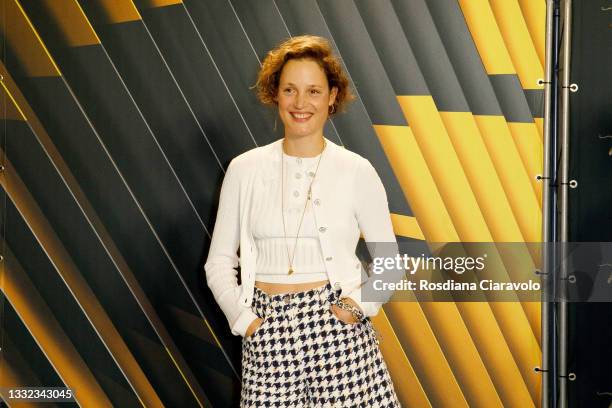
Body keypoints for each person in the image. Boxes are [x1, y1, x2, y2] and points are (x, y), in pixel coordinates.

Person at [204, 35, 402, 407]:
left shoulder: (356, 171)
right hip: (266, 327)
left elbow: (390, 266)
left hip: (335, 326)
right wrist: (246, 321)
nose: (300, 103)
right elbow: (218, 262)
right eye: (290, 89)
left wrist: (354, 308)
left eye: (313, 91)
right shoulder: (244, 169)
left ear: (332, 97)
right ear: (274, 94)